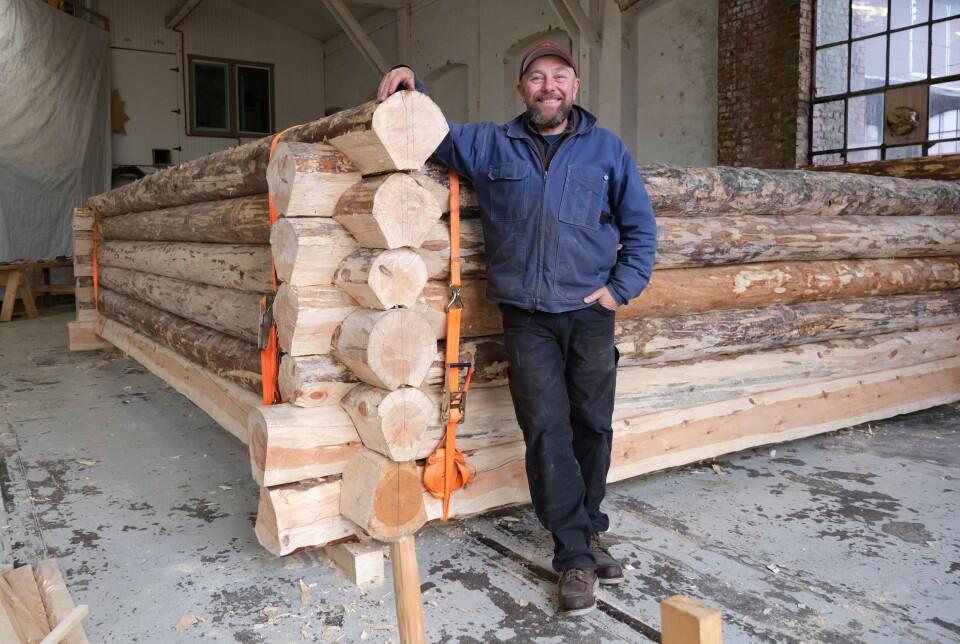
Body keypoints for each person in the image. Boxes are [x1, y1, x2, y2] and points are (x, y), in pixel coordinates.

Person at [378, 41, 657, 617]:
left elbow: (641, 230)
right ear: (521, 88)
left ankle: (589, 526)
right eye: (536, 77)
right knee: (547, 429)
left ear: (575, 87)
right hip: (526, 317)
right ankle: (574, 555)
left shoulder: (607, 151)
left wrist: (618, 291)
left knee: (593, 425)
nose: (548, 86)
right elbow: (436, 133)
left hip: (589, 314)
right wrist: (412, 79)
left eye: (559, 77)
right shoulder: (491, 144)